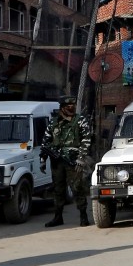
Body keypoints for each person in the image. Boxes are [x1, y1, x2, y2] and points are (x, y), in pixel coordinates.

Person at [40, 96, 92, 227]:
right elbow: (46, 141)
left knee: (77, 187)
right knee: (58, 189)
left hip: (73, 161)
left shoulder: (80, 120)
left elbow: (86, 139)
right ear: (62, 108)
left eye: (73, 106)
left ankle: (83, 215)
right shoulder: (54, 123)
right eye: (68, 106)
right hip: (57, 162)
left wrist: (81, 158)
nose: (72, 108)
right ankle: (58, 217)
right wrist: (43, 158)